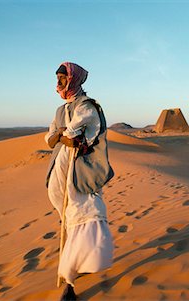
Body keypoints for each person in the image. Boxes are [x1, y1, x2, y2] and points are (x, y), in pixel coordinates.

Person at [45, 62, 114, 301]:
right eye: (58, 78)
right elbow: (51, 138)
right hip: (60, 171)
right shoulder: (59, 110)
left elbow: (71, 136)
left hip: (82, 174)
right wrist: (61, 136)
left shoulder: (87, 107)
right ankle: (73, 269)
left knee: (85, 217)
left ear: (73, 79)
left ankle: (70, 283)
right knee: (69, 221)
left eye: (63, 78)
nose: (59, 83)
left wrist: (63, 136)